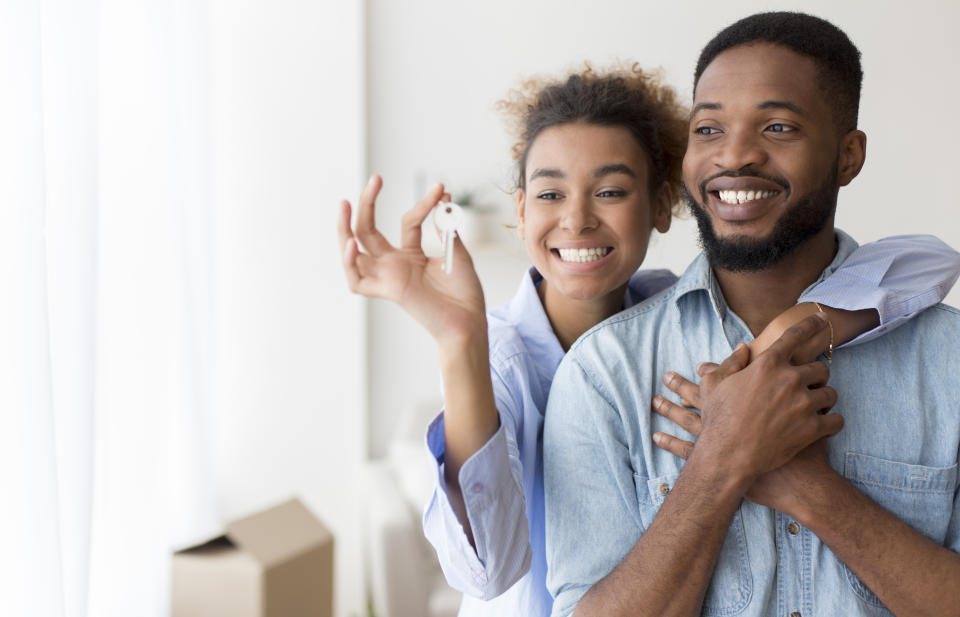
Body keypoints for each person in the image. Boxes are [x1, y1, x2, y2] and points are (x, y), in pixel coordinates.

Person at [338, 65, 960, 617]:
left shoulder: (674, 309)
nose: (578, 218)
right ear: (521, 211)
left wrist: (789, 333)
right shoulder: (504, 358)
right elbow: (485, 571)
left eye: (610, 192)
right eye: (551, 194)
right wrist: (459, 339)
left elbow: (928, 261)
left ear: (664, 205)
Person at [543, 12, 960, 617]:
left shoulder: (947, 360)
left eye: (779, 126)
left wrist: (810, 489)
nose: (734, 155)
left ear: (848, 156)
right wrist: (720, 461)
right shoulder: (604, 372)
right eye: (708, 128)